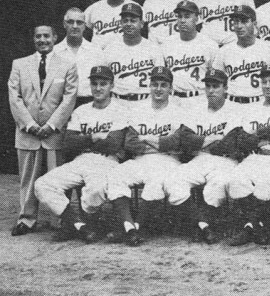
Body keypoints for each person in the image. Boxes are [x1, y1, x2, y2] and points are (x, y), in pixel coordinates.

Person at [34, 66, 126, 243]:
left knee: (96, 190)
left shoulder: (119, 110)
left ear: (112, 86)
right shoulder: (81, 111)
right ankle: (79, 224)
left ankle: (88, 223)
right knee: (42, 184)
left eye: (103, 84)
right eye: (94, 83)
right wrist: (93, 137)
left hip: (106, 161)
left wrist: (82, 140)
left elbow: (114, 144)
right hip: (80, 160)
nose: (98, 88)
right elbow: (68, 144)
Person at [8, 25, 78, 236]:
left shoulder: (67, 65)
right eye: (38, 36)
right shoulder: (20, 64)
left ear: (55, 38)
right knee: (27, 179)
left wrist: (51, 125)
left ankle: (60, 221)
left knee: (58, 179)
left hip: (53, 133)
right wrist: (29, 124)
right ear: (33, 39)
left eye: (47, 36)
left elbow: (69, 98)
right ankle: (26, 219)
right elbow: (14, 97)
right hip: (27, 133)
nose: (42, 40)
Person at [105, 67, 186, 246]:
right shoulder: (138, 109)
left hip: (168, 160)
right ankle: (129, 226)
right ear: (149, 86)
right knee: (116, 174)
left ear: (171, 88)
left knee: (155, 182)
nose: (158, 89)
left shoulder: (179, 111)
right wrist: (161, 143)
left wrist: (147, 140)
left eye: (163, 85)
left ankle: (137, 227)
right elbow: (130, 142)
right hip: (142, 159)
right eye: (155, 84)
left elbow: (177, 142)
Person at [165, 69, 244, 244]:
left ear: (226, 88)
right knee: (174, 180)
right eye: (208, 86)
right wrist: (211, 139)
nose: (211, 90)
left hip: (226, 160)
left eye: (216, 86)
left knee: (217, 186)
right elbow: (185, 139)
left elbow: (230, 143)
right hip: (201, 158)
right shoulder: (196, 109)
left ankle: (204, 225)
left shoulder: (236, 109)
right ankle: (203, 225)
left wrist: (200, 141)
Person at [226, 65, 270, 246]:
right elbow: (243, 139)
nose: (267, 86)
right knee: (236, 178)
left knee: (265, 181)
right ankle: (253, 225)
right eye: (264, 82)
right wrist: (267, 136)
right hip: (256, 156)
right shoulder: (252, 107)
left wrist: (257, 136)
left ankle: (255, 227)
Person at [212, 5, 270, 104]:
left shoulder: (268, 48)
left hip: (260, 103)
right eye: (236, 22)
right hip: (232, 103)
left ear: (254, 24)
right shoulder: (224, 51)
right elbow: (216, 81)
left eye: (244, 21)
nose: (239, 26)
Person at [103, 3, 165, 103]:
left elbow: (160, 81)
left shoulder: (153, 48)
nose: (128, 24)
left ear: (142, 24)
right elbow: (103, 81)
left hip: (145, 101)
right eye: (125, 20)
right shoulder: (110, 49)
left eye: (133, 20)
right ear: (121, 23)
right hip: (117, 102)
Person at [161, 0, 219, 106]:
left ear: (197, 18)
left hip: (199, 99)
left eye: (187, 16)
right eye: (179, 16)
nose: (182, 20)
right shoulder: (167, 44)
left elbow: (217, 79)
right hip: (173, 99)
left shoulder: (210, 45)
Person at [54, 8, 103, 107]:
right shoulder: (54, 52)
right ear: (64, 24)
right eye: (70, 22)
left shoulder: (96, 51)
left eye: (79, 22)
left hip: (90, 104)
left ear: (84, 26)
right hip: (62, 105)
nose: (75, 26)